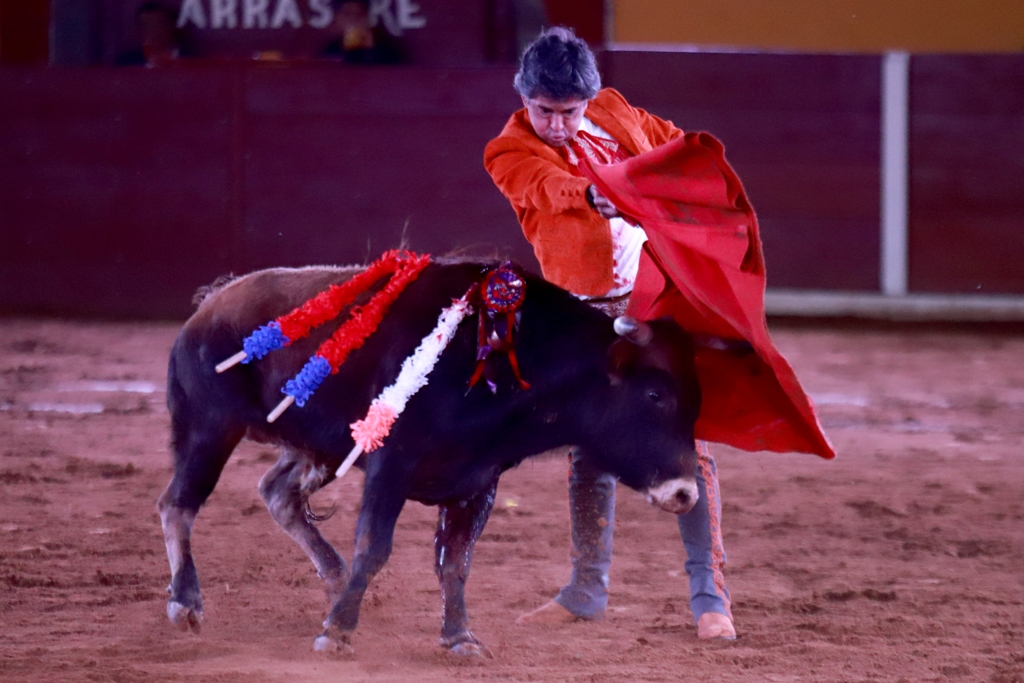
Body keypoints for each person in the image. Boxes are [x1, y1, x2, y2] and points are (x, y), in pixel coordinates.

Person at [484, 27, 737, 640]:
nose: (558, 125)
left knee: (687, 443)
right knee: (590, 450)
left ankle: (711, 600)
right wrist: (597, 191)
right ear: (524, 99)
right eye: (544, 111)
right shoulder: (508, 150)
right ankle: (585, 591)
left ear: (588, 100)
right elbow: (548, 189)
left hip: (653, 304)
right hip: (581, 321)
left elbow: (677, 148)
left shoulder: (616, 111)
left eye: (569, 111)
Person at [319, 0, 403, 64]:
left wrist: (371, 51)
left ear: (368, 19)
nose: (353, 19)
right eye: (347, 14)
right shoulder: (330, 51)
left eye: (359, 14)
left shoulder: (387, 51)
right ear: (337, 19)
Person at [115, 2, 182, 67]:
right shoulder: (126, 63)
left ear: (170, 27)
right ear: (140, 31)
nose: (153, 31)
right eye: (147, 26)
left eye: (158, 25)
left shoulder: (188, 58)